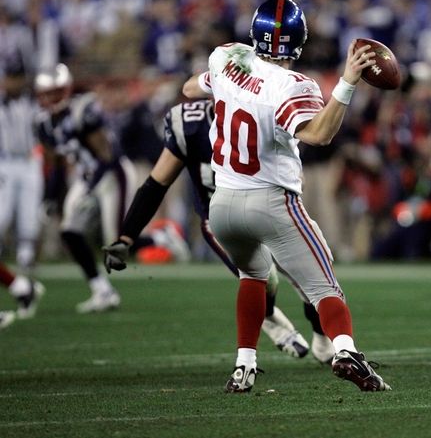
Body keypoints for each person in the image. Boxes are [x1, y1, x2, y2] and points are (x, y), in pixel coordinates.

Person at [182, 0, 390, 392]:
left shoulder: (227, 57)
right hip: (271, 202)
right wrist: (347, 82)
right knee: (324, 285)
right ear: (299, 42)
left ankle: (244, 365)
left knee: (252, 275)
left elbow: (191, 88)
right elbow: (318, 134)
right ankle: (346, 351)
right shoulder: (293, 84)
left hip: (223, 204)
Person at [103, 98, 334, 363]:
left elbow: (295, 172)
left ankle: (320, 339)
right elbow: (158, 181)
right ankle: (270, 322)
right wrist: (127, 235)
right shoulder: (191, 125)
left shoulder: (266, 112)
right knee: (264, 278)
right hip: (221, 217)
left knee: (307, 273)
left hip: (268, 207)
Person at [35, 64, 137, 313]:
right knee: (69, 232)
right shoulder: (43, 124)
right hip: (86, 177)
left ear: (66, 89)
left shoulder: (82, 111)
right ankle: (102, 290)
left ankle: (161, 237)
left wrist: (92, 187)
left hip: (112, 173)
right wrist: (49, 197)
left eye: (56, 91)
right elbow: (57, 164)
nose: (51, 98)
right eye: (46, 93)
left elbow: (107, 155)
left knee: (116, 240)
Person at [0, 61, 45, 324]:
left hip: (28, 161)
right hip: (6, 162)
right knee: (3, 214)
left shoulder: (33, 103)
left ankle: (24, 266)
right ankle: (21, 287)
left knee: (29, 214)